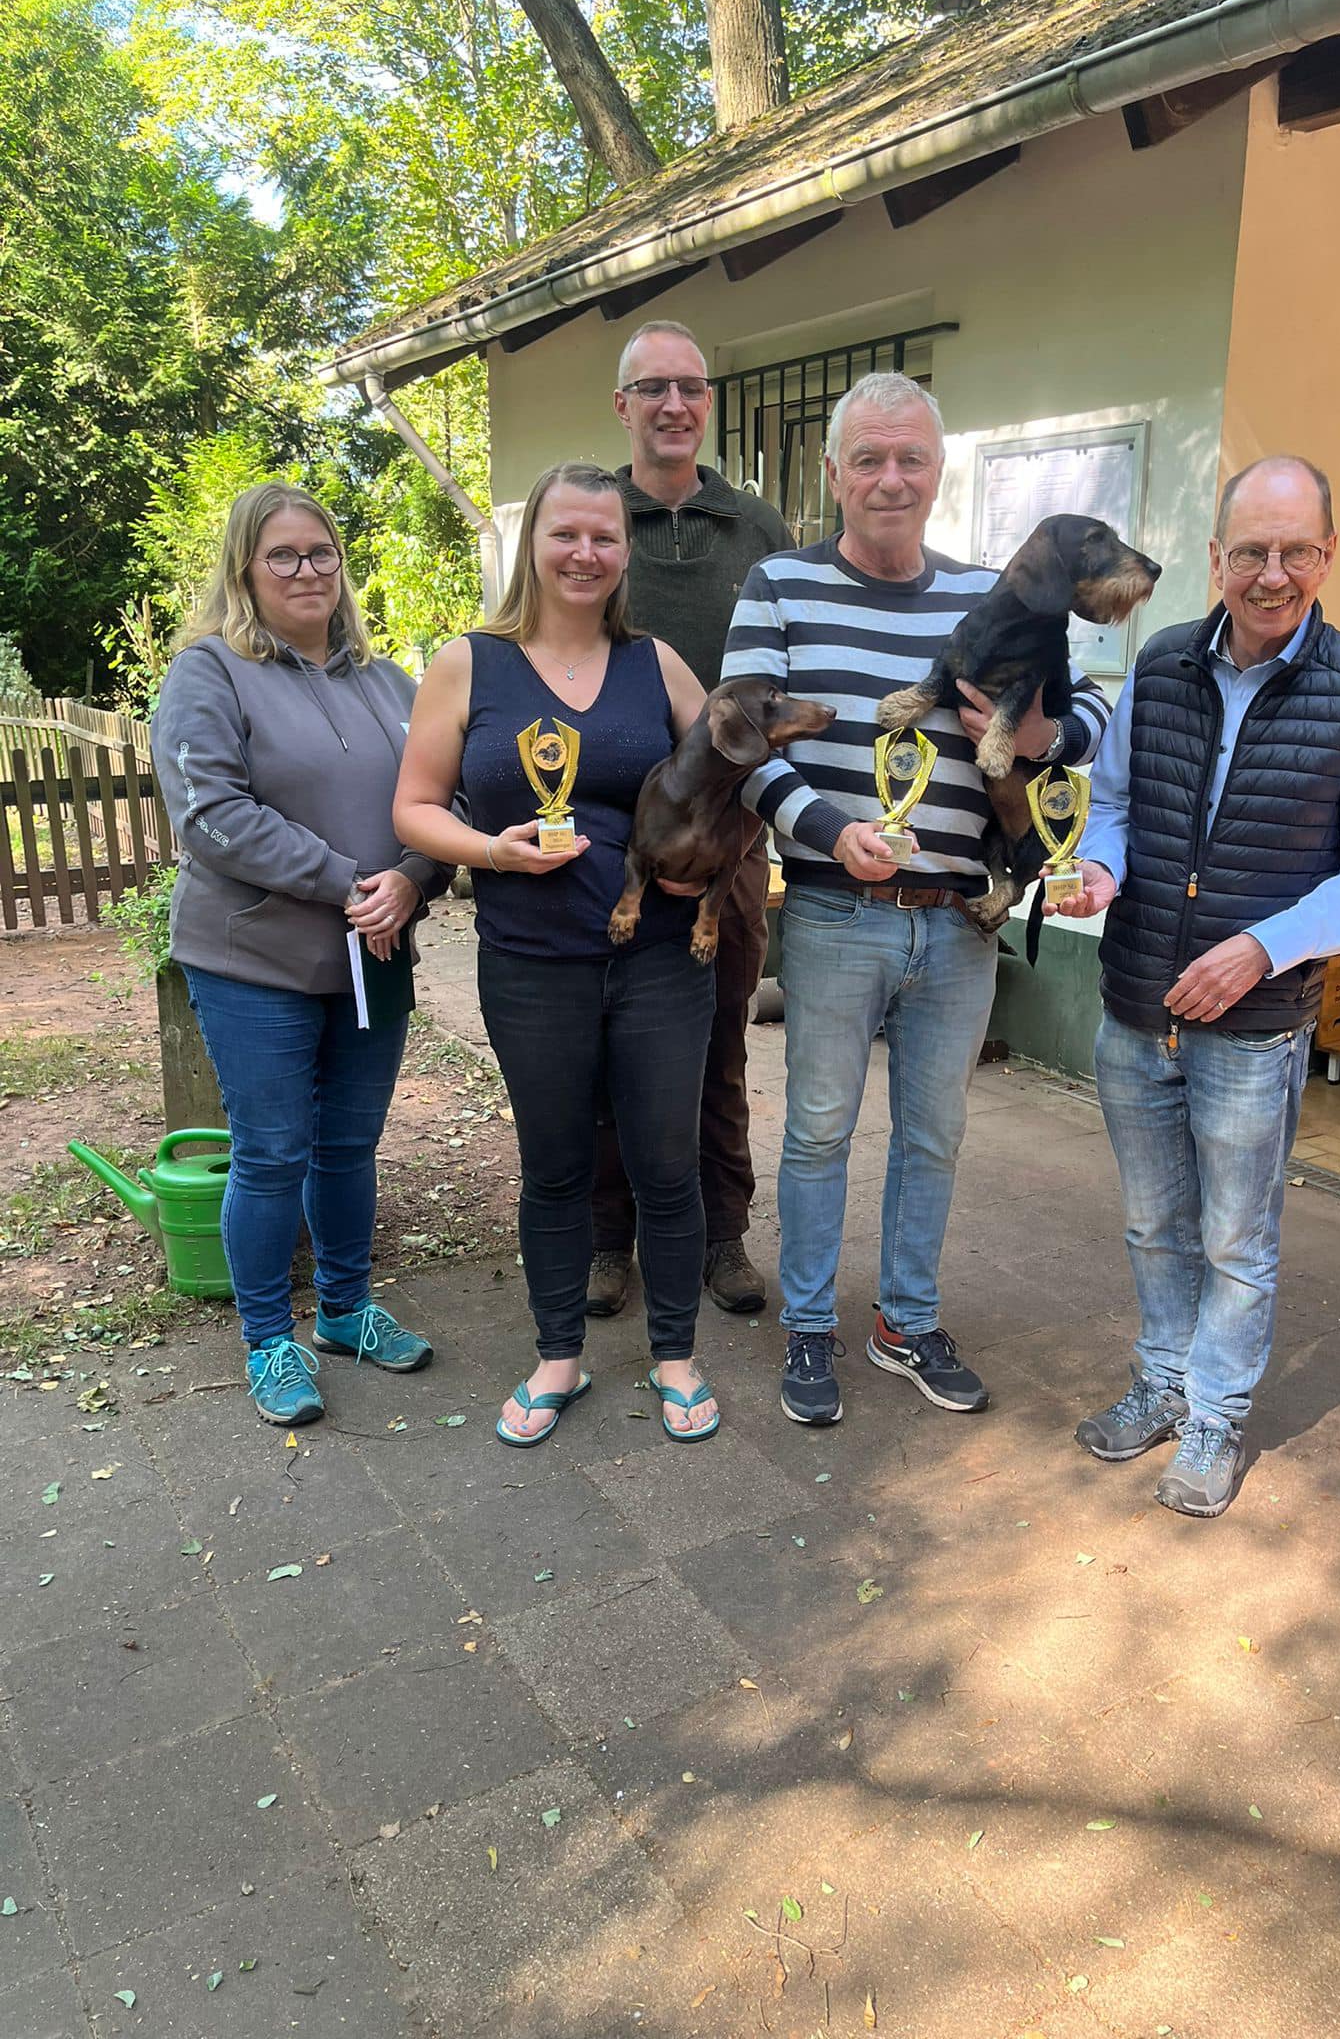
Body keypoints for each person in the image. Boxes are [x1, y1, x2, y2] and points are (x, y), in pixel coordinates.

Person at [722, 371, 1112, 1428]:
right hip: (833, 912)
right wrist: (826, 829)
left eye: (911, 459)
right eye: (869, 459)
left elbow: (1092, 716)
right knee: (817, 1133)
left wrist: (1045, 735)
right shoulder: (778, 585)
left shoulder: (992, 594)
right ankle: (810, 1326)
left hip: (961, 917)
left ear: (938, 472)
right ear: (833, 472)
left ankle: (905, 1321)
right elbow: (740, 737)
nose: (890, 479)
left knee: (933, 1136)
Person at [1058, 456, 1340, 1518]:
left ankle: (1214, 1416)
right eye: (1252, 551)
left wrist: (1263, 948)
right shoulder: (1162, 661)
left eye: (1296, 551)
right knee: (1152, 1223)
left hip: (1254, 1027)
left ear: (1328, 555)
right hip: (1138, 1005)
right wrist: (1101, 868)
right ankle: (1163, 1382)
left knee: (1235, 1239)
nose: (1273, 574)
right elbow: (1114, 804)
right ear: (1217, 558)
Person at [393, 462, 722, 1445]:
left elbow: (731, 777)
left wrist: (702, 865)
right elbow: (413, 806)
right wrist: (490, 851)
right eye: (565, 534)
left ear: (624, 551)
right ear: (529, 543)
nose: (585, 553)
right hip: (530, 964)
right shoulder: (468, 664)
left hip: (658, 959)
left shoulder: (656, 663)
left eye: (604, 536)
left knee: (667, 1165)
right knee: (554, 1169)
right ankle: (557, 1358)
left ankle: (676, 1358)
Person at [150, 481, 448, 1427]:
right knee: (273, 1154)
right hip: (254, 960)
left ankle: (347, 1312)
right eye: (282, 555)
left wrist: (413, 878)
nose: (307, 570)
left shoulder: (390, 681)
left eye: (321, 552)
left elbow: (445, 799)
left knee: (349, 1145)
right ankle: (269, 1339)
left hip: (375, 952)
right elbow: (212, 816)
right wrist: (349, 882)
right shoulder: (208, 673)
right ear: (245, 568)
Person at [586, 319, 795, 1321]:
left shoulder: (757, 529)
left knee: (720, 1042)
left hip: (732, 841)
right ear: (622, 405)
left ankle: (723, 1234)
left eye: (691, 387)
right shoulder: (590, 522)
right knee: (608, 1041)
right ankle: (607, 1237)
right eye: (653, 388)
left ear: (708, 403)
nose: (674, 405)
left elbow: (794, 675)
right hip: (610, 837)